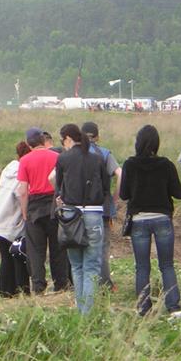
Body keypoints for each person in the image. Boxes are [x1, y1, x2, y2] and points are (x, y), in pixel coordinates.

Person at [119, 125, 181, 319]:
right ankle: (174, 308)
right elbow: (179, 194)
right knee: (167, 264)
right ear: (157, 143)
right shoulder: (165, 164)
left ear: (138, 143)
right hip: (162, 218)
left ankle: (143, 308)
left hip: (139, 220)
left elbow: (124, 194)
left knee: (142, 266)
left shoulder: (130, 164)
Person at [55, 124, 110, 314]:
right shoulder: (97, 158)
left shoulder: (63, 159)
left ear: (68, 138)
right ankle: (87, 313)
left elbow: (58, 189)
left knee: (76, 266)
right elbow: (105, 188)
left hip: (71, 217)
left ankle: (81, 311)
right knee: (92, 266)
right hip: (93, 214)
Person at [17, 127, 69, 295]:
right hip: (54, 203)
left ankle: (38, 286)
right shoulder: (57, 157)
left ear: (28, 144)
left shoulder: (25, 160)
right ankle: (61, 283)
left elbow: (23, 190)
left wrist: (24, 212)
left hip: (35, 206)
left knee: (36, 250)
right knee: (58, 248)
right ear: (43, 140)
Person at [0, 141, 32, 298]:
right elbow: (21, 193)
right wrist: (27, 214)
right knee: (18, 256)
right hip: (12, 222)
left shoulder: (8, 169)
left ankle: (6, 292)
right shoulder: (21, 171)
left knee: (6, 257)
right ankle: (22, 291)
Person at [81, 121, 122, 291]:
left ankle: (84, 283)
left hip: (80, 207)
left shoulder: (76, 153)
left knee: (81, 245)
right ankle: (105, 283)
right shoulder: (104, 153)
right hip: (103, 208)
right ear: (97, 136)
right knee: (102, 247)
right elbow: (120, 173)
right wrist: (115, 198)